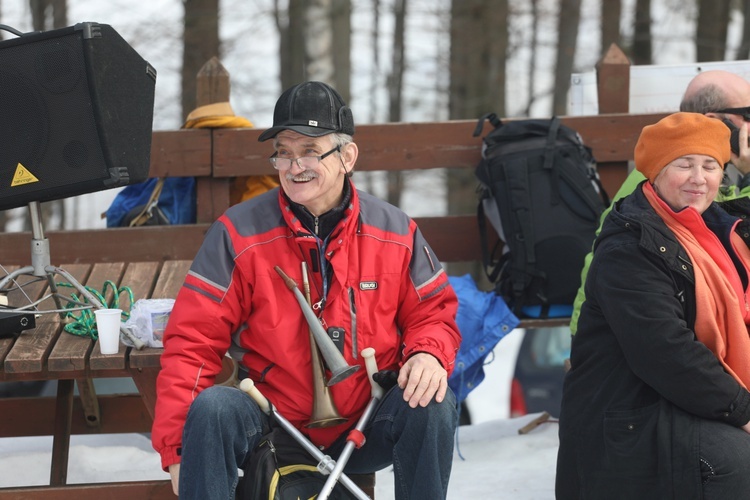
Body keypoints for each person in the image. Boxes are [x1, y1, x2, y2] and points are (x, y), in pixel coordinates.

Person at [151, 80, 462, 499]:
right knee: (213, 408)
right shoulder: (236, 233)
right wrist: (177, 449)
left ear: (347, 157)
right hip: (273, 422)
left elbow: (434, 313)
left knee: (434, 402)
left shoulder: (396, 231)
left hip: (365, 425)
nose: (295, 166)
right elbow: (193, 340)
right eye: (284, 151)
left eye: (311, 151)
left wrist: (427, 352)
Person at [556, 112, 750, 499]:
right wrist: (743, 410)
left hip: (683, 401)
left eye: (710, 166)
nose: (699, 178)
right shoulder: (628, 246)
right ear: (656, 172)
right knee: (735, 458)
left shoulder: (721, 231)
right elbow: (664, 351)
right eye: (684, 164)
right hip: (630, 416)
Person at [569, 69, 750, 335]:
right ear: (716, 121)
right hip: (623, 343)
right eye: (747, 114)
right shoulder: (667, 182)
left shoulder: (707, 173)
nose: (698, 175)